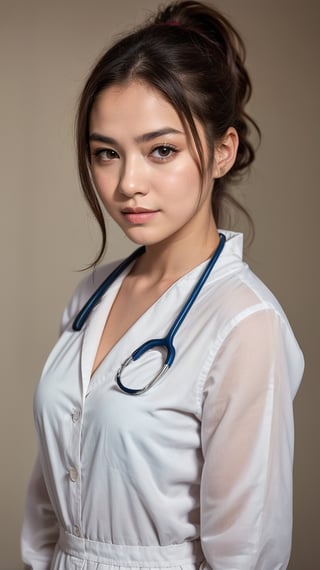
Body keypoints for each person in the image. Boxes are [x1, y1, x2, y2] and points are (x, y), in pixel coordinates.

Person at [21, 1, 304, 569]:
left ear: (222, 151)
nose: (128, 184)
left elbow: (246, 551)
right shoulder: (91, 297)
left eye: (162, 151)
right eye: (107, 154)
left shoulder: (245, 325)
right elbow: (49, 499)